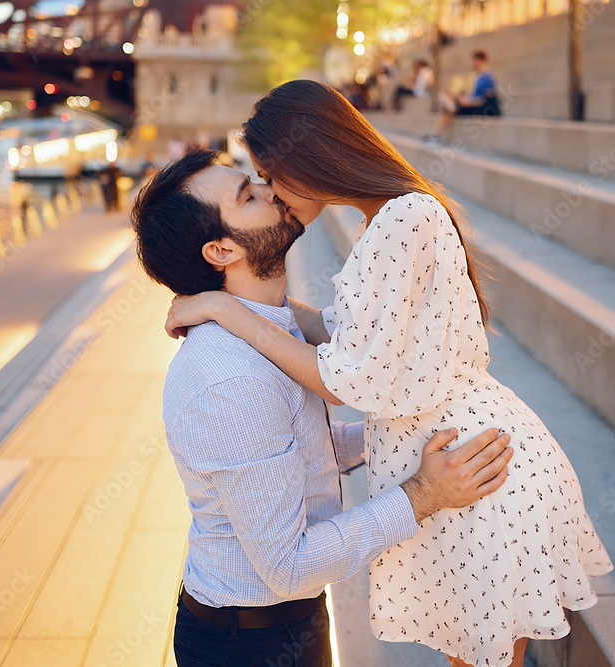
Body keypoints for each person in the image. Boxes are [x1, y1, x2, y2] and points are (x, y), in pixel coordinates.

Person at [164, 81, 613, 667]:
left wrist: (226, 309)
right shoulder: (395, 216)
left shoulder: (402, 217)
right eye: (256, 188)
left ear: (313, 156)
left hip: (468, 462)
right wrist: (244, 311)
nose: (273, 194)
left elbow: (349, 379)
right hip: (458, 452)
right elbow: (349, 332)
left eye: (270, 177)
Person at [132, 148, 515, 667]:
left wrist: (414, 439)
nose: (272, 191)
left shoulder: (266, 325)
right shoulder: (228, 379)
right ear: (221, 250)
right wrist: (425, 492)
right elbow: (289, 567)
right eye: (249, 196)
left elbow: (300, 449)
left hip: (284, 622)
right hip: (249, 643)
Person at [428, 49, 500, 138]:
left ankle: (435, 134)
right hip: (471, 102)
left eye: (474, 61)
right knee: (449, 102)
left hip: (477, 107)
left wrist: (468, 102)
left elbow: (487, 99)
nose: (472, 63)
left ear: (480, 60)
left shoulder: (488, 77)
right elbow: (475, 94)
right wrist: (464, 98)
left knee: (449, 108)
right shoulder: (478, 76)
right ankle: (435, 133)